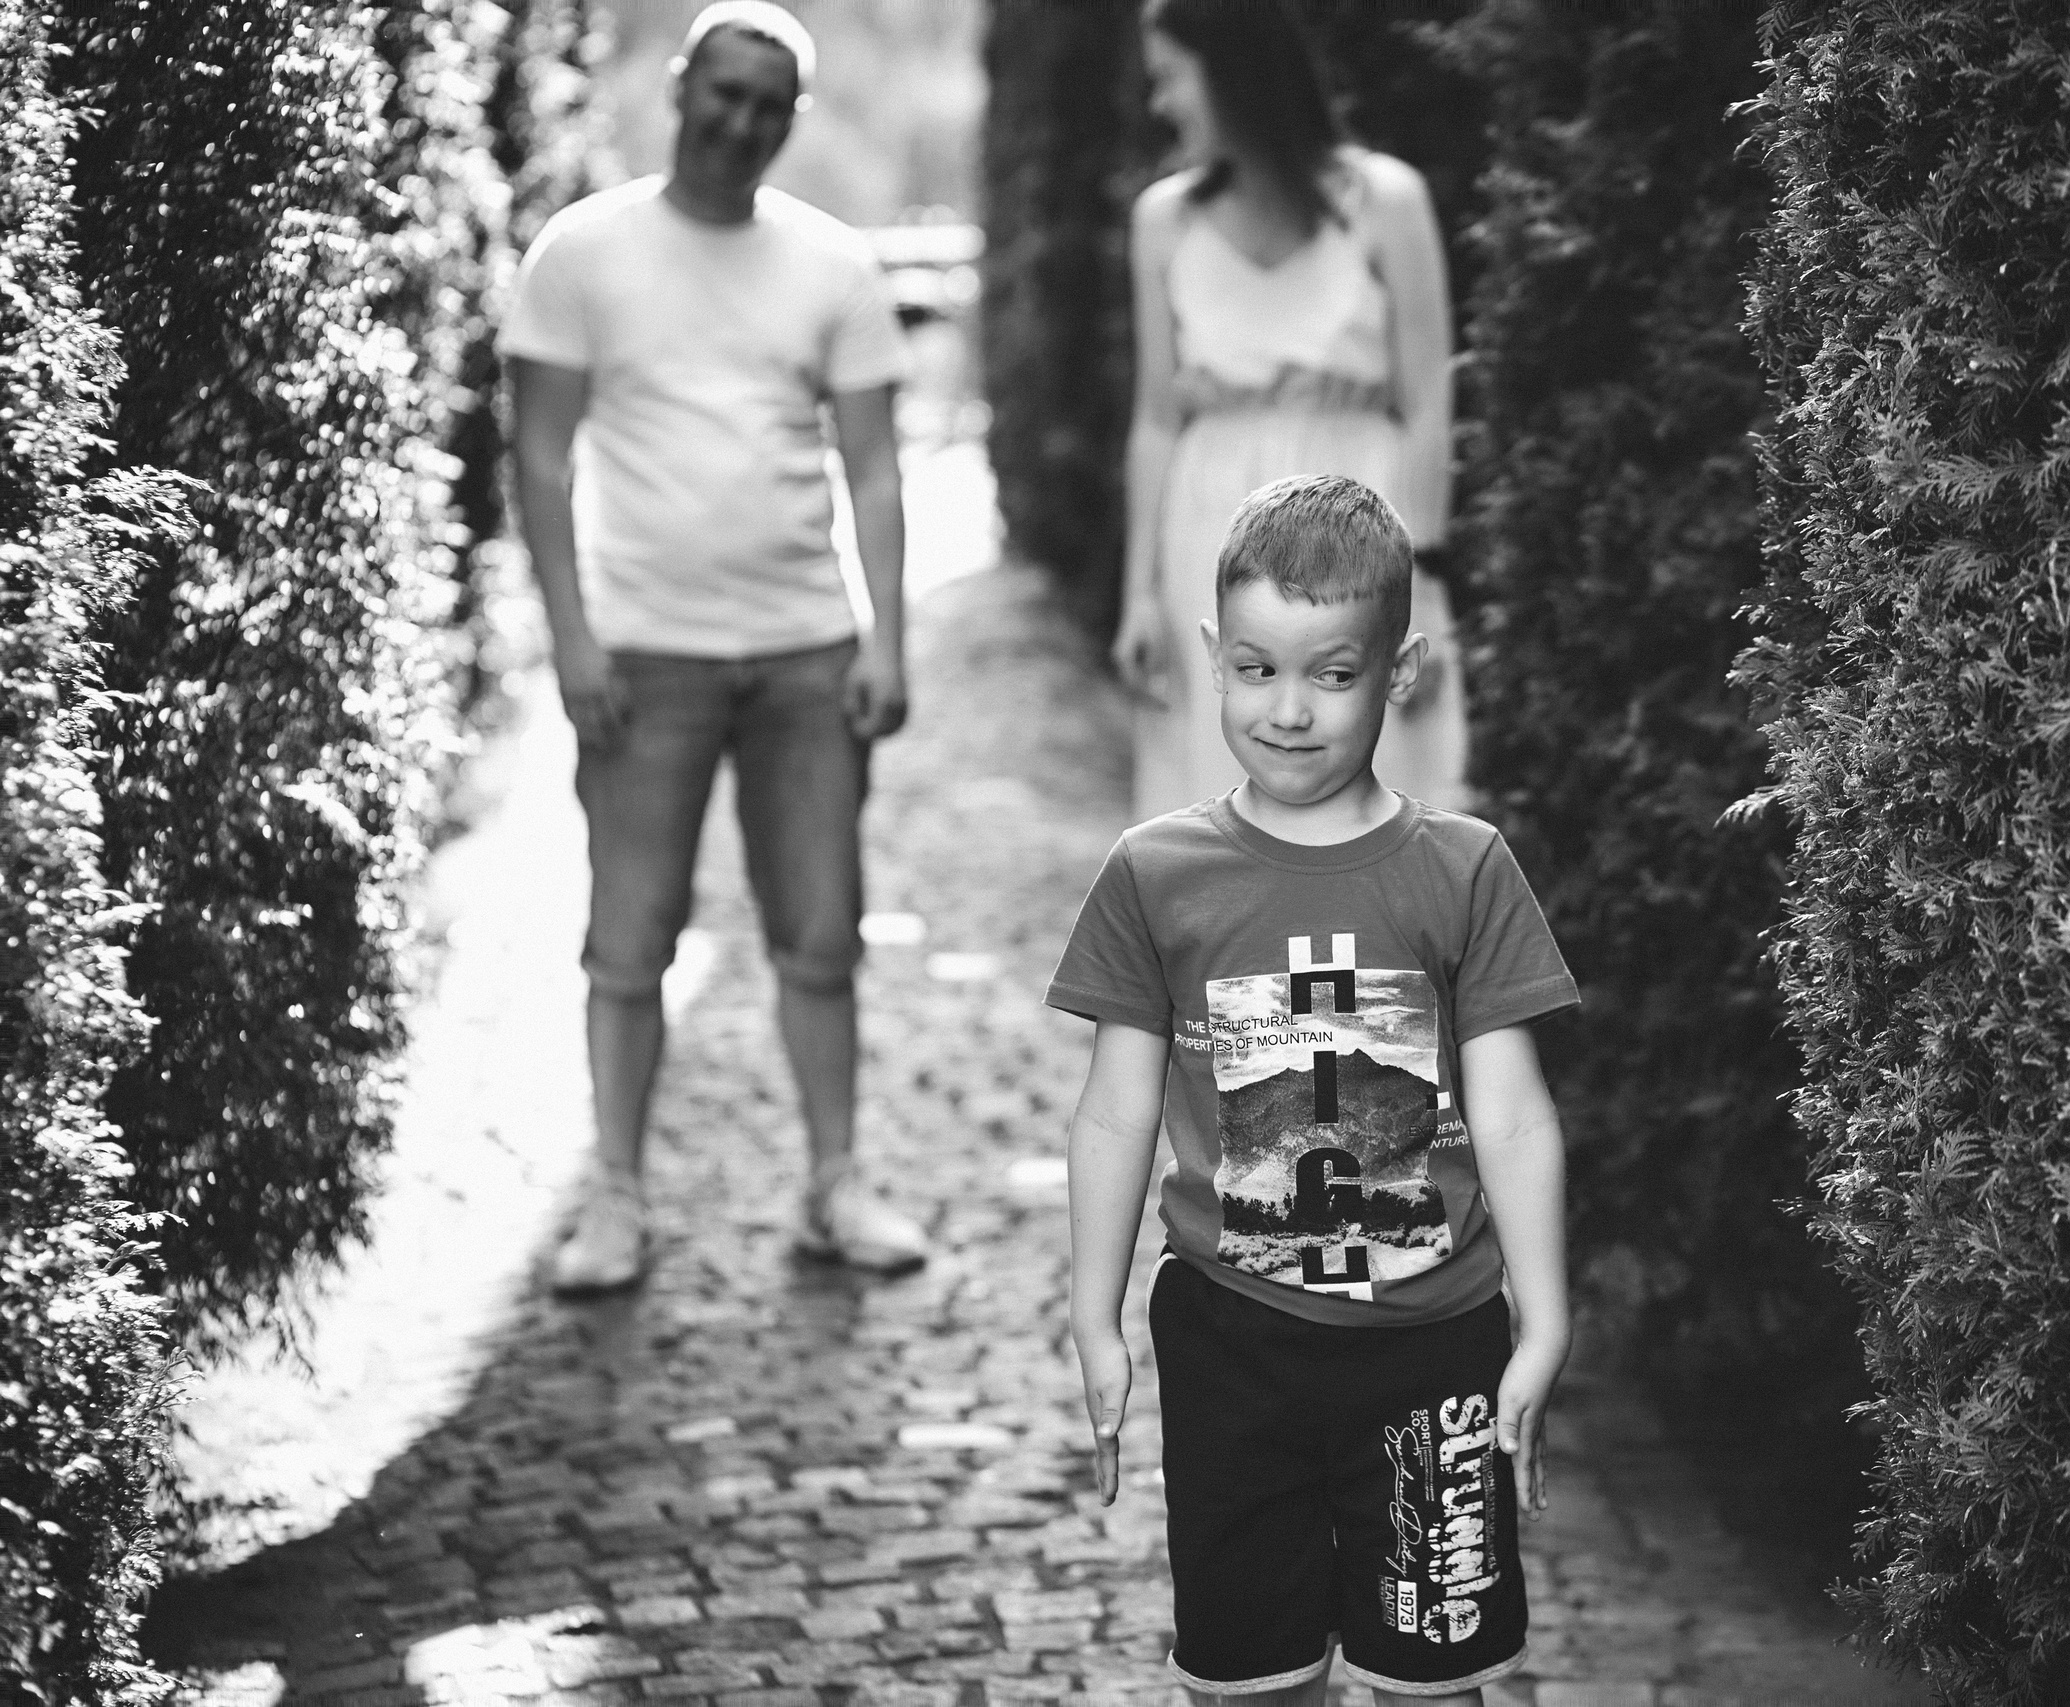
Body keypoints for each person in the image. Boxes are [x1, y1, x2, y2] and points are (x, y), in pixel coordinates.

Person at [1050, 476, 1577, 1703]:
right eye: (1256, 669)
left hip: (1433, 1352)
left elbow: (1511, 1115)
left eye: (1332, 675)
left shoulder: (1464, 871)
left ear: (1400, 671)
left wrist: (1543, 1322)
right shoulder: (1154, 874)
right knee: (1252, 1679)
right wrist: (1092, 1314)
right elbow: (1114, 1111)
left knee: (1433, 1683)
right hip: (1231, 1345)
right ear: (1209, 661)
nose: (1288, 712)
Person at [502, 0, 928, 1293]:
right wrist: (571, 639)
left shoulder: (834, 266)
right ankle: (617, 1198)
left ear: (789, 121)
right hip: (645, 655)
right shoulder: (580, 253)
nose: (741, 121)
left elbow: (873, 470)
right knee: (628, 939)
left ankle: (834, 1183)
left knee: (821, 934)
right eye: (723, 91)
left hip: (806, 650)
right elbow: (536, 454)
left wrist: (885, 639)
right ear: (682, 86)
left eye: (768, 105)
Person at [1114, 0, 1470, 821]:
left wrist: (1430, 578)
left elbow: (1428, 403)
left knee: (1381, 776)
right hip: (1209, 533)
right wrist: (1139, 594)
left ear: (1231, 70)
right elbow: (1156, 419)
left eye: (1170, 77)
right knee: (1215, 780)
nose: (1159, 104)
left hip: (1365, 524)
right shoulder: (1163, 220)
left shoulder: (1384, 199)